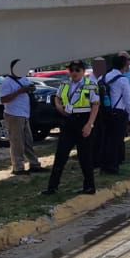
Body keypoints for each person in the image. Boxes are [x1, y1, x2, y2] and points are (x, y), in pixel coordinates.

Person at [44, 60, 99, 196]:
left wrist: (89, 124)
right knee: (60, 156)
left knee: (85, 157)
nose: (74, 73)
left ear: (83, 71)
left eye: (77, 70)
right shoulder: (65, 84)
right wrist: (59, 108)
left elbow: (96, 105)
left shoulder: (90, 85)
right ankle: (52, 187)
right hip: (68, 121)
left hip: (83, 120)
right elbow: (57, 98)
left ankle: (89, 187)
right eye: (72, 70)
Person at [0, 59, 43, 176]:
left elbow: (28, 89)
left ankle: (34, 164)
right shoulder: (7, 82)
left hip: (24, 114)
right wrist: (19, 92)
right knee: (17, 142)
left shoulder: (24, 79)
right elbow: (3, 99)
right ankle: (18, 167)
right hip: (13, 114)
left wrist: (30, 89)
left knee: (28, 141)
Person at [99, 53, 130, 175]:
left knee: (105, 139)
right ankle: (113, 166)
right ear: (123, 65)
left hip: (105, 112)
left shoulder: (102, 78)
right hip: (119, 113)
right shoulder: (123, 80)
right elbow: (128, 100)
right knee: (116, 141)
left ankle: (104, 165)